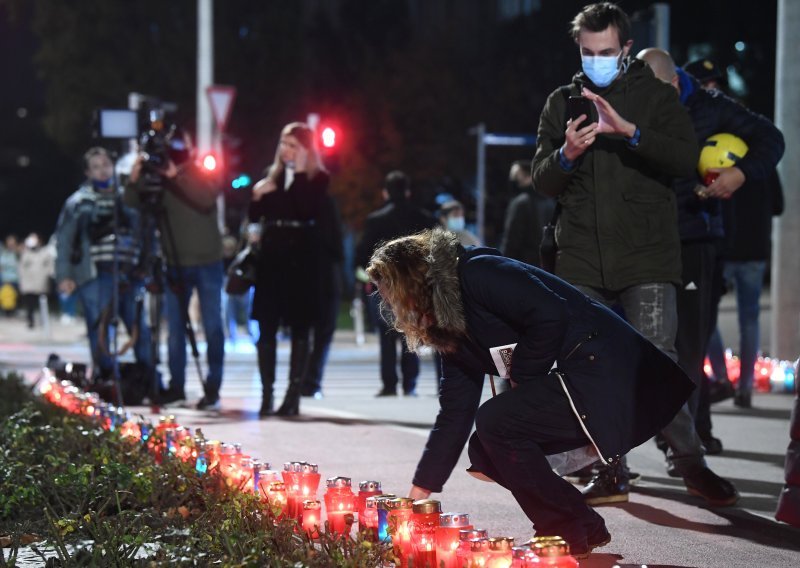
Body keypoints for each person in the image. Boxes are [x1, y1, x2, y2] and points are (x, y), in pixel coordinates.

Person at [368, 228, 694, 558]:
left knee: (496, 422)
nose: (391, 305)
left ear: (412, 282)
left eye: (391, 294)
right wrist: (420, 491)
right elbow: (454, 411)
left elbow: (549, 313)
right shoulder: (448, 327)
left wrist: (523, 379)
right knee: (484, 449)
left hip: (604, 370)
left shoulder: (477, 272)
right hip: (569, 381)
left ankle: (563, 530)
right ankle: (582, 524)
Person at [531, 2, 737, 507]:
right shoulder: (562, 101)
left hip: (647, 255)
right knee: (589, 367)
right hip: (580, 257)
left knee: (658, 367)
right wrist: (567, 155)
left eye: (606, 51)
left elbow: (686, 158)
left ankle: (692, 465)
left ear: (625, 48)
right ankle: (610, 469)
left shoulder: (653, 96)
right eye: (587, 51)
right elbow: (542, 178)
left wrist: (631, 133)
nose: (596, 59)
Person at [637, 49, 785, 445]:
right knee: (648, 346)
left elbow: (771, 139)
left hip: (694, 241)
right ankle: (676, 435)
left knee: (689, 346)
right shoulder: (630, 102)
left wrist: (739, 174)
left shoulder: (709, 106)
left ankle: (683, 440)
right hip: (642, 242)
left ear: (672, 84)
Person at [125, 128, 225, 411]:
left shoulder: (200, 170)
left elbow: (206, 199)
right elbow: (132, 203)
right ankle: (176, 386)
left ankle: (213, 387)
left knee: (213, 326)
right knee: (175, 330)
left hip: (208, 262)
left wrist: (176, 177)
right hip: (174, 262)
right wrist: (134, 179)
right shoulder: (156, 176)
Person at [249, 122, 334, 417]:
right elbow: (255, 219)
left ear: (307, 150)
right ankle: (266, 394)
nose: (286, 150)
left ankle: (292, 395)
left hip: (302, 261)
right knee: (266, 328)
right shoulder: (270, 178)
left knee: (301, 327)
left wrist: (298, 171)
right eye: (284, 144)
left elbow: (304, 208)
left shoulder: (317, 178)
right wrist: (258, 196)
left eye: (294, 145)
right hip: (272, 260)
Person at [55, 146, 154, 382]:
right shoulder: (78, 202)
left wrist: (146, 267)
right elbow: (65, 240)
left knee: (138, 327)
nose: (102, 171)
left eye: (106, 165)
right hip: (95, 274)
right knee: (100, 330)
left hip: (129, 272)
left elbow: (147, 233)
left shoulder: (128, 197)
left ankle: (148, 377)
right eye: (96, 167)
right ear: (88, 172)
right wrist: (64, 276)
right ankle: (106, 376)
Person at [355, 170, 438, 397]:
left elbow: (362, 256)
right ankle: (410, 384)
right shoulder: (424, 218)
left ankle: (389, 384)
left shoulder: (375, 220)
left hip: (386, 287)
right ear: (408, 192)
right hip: (416, 286)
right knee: (412, 332)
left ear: (385, 193)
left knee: (386, 335)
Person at [300, 195, 345, 399]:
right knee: (322, 335)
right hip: (327, 280)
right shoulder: (328, 204)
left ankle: (300, 380)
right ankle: (312, 381)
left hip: (306, 278)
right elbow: (338, 248)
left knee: (302, 333)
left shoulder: (300, 208)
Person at [500, 160, 555, 267]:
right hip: (545, 265)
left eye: (516, 176)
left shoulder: (521, 202)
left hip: (522, 265)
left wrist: (503, 263)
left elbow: (512, 239)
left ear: (528, 176)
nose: (513, 180)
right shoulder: (550, 201)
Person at [18, 233, 54, 328]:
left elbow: (50, 266)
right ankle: (31, 321)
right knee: (30, 304)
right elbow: (21, 267)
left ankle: (44, 321)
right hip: (29, 282)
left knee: (43, 303)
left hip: (42, 282)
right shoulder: (26, 252)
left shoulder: (45, 252)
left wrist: (47, 275)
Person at [0, 235, 20, 316]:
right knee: (3, 295)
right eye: (9, 242)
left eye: (12, 242)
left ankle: (12, 311)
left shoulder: (18, 254)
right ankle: (4, 311)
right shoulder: (3, 253)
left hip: (14, 279)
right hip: (3, 279)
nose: (10, 244)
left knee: (12, 295)